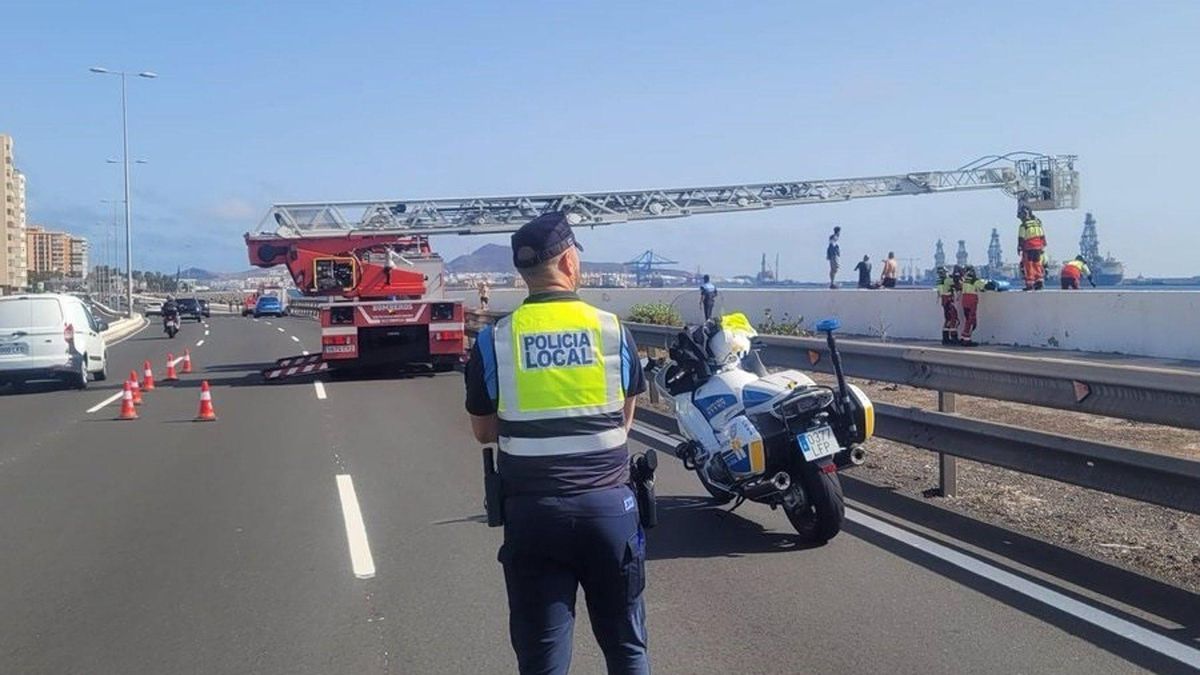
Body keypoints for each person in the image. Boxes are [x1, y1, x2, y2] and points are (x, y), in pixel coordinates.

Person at [464, 211, 650, 675]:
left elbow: (484, 432)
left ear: (522, 274)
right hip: (609, 510)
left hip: (533, 517)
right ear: (569, 263)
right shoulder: (611, 330)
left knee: (542, 660)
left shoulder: (495, 341)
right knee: (627, 649)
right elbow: (625, 418)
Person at [1017, 205, 1047, 291]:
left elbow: (1021, 238)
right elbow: (1042, 235)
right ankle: (1039, 282)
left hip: (1028, 248)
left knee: (1028, 265)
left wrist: (1019, 247)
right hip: (1038, 247)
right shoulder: (1037, 223)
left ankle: (1030, 284)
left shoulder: (1023, 225)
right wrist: (1043, 245)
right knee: (1037, 264)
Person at [958, 265, 988, 347]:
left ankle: (963, 337)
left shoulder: (964, 281)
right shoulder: (974, 280)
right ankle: (967, 340)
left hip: (964, 301)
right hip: (971, 302)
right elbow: (984, 286)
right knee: (971, 322)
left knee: (967, 320)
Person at [936, 266, 959, 345]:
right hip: (949, 300)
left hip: (944, 300)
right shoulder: (947, 280)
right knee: (954, 319)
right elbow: (957, 283)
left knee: (947, 319)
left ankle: (945, 338)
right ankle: (953, 337)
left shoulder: (939, 281)